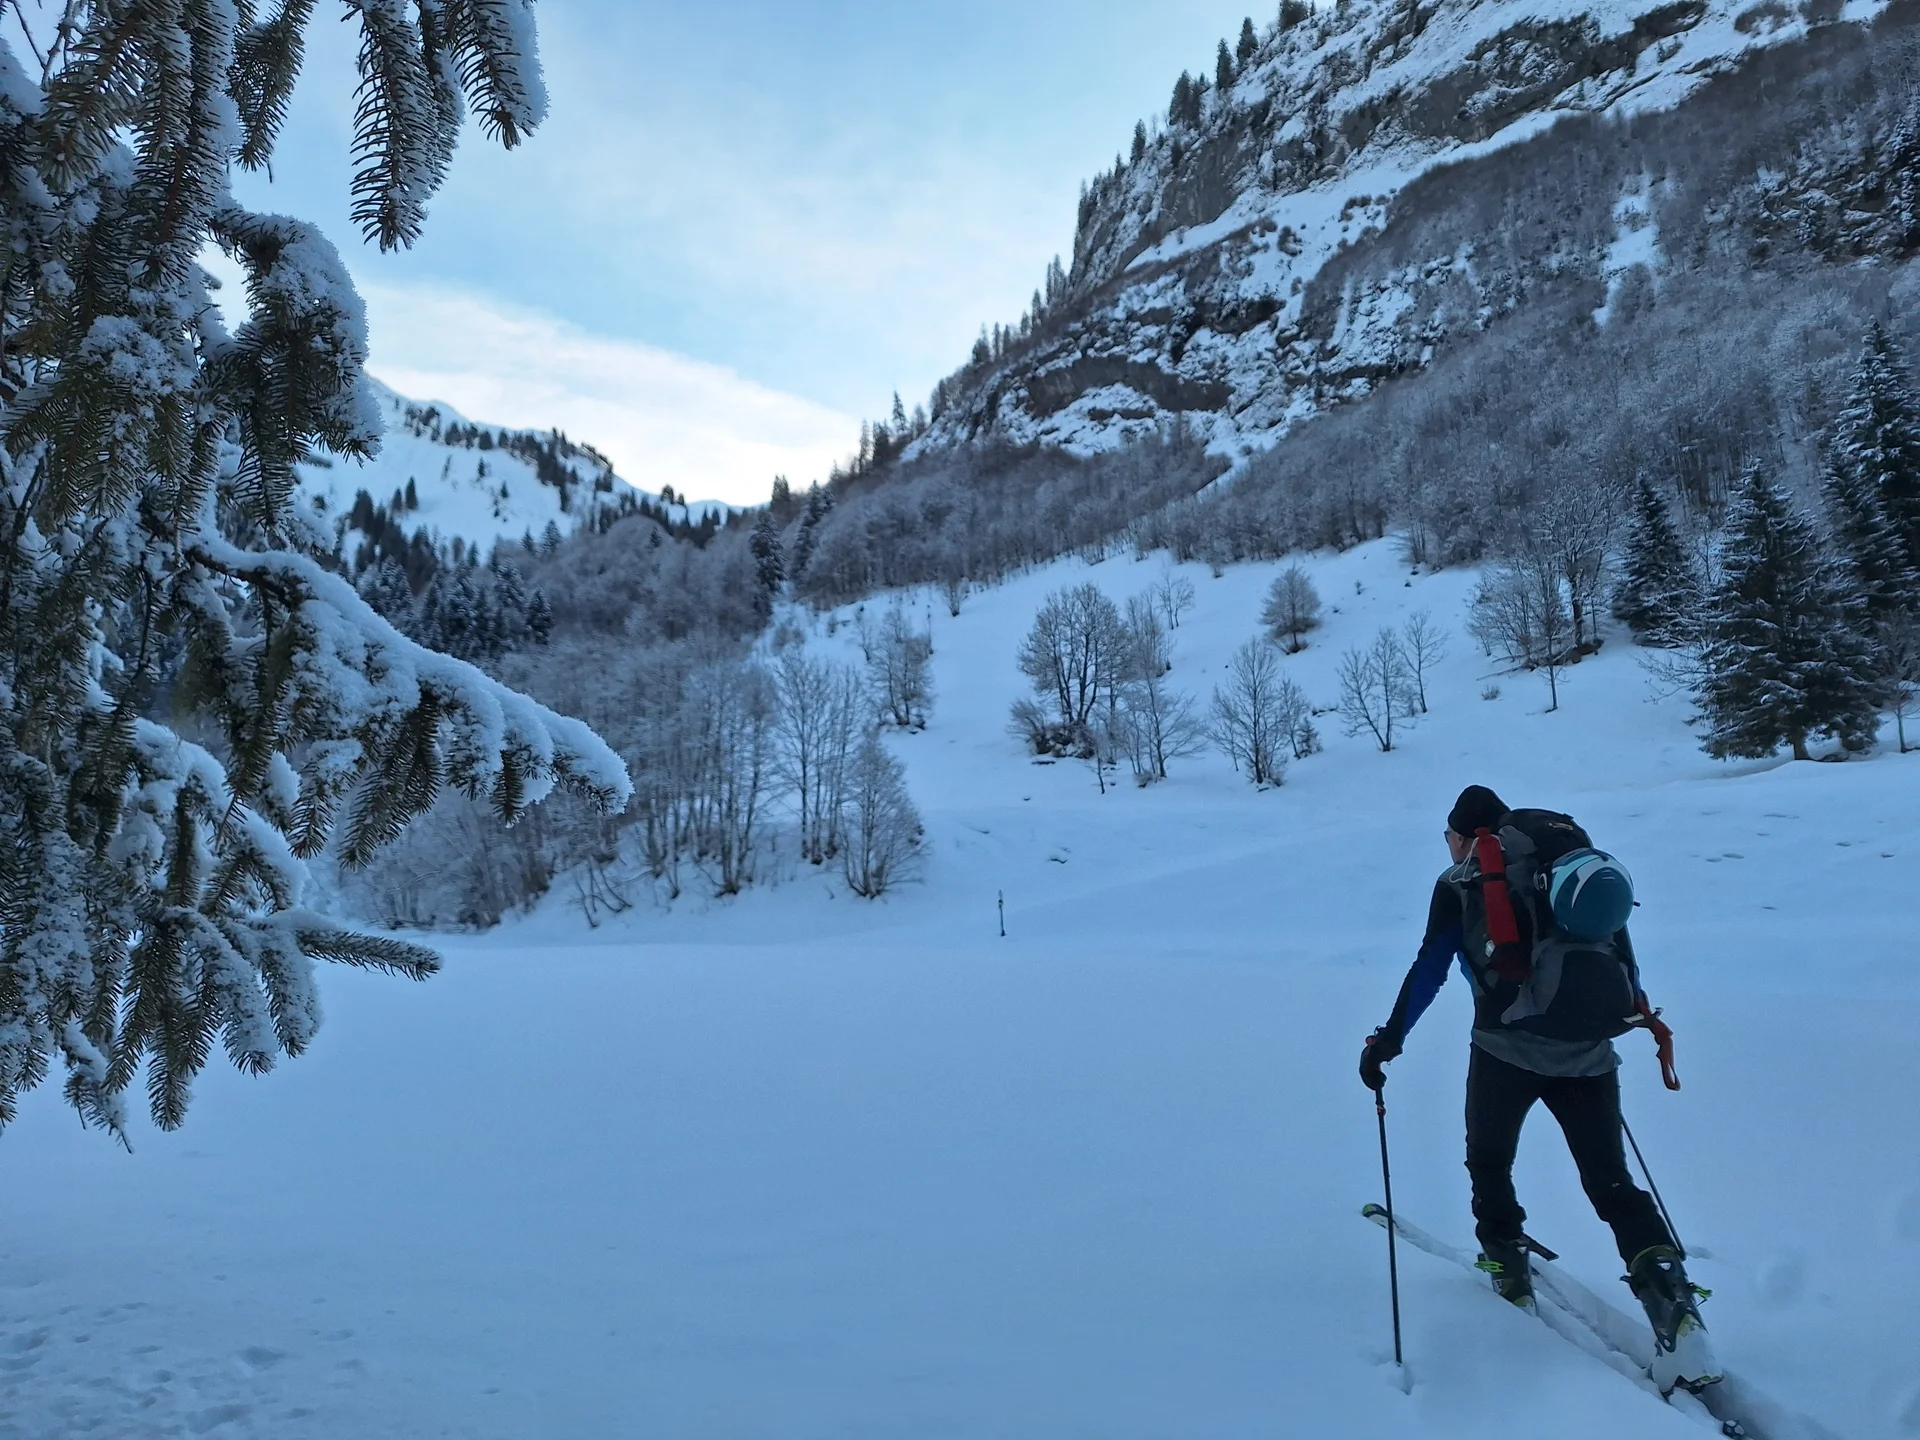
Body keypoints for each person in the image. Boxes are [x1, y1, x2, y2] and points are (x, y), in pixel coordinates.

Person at [1358, 784, 1710, 1373]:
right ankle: (1674, 1303)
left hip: (1503, 1050)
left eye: (1447, 837)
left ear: (1466, 836)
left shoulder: (1461, 883)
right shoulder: (1566, 872)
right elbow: (1621, 953)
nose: (1446, 848)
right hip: (1589, 1051)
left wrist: (1387, 1042)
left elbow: (1430, 969)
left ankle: (1508, 1267)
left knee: (1490, 1161)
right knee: (1611, 1183)